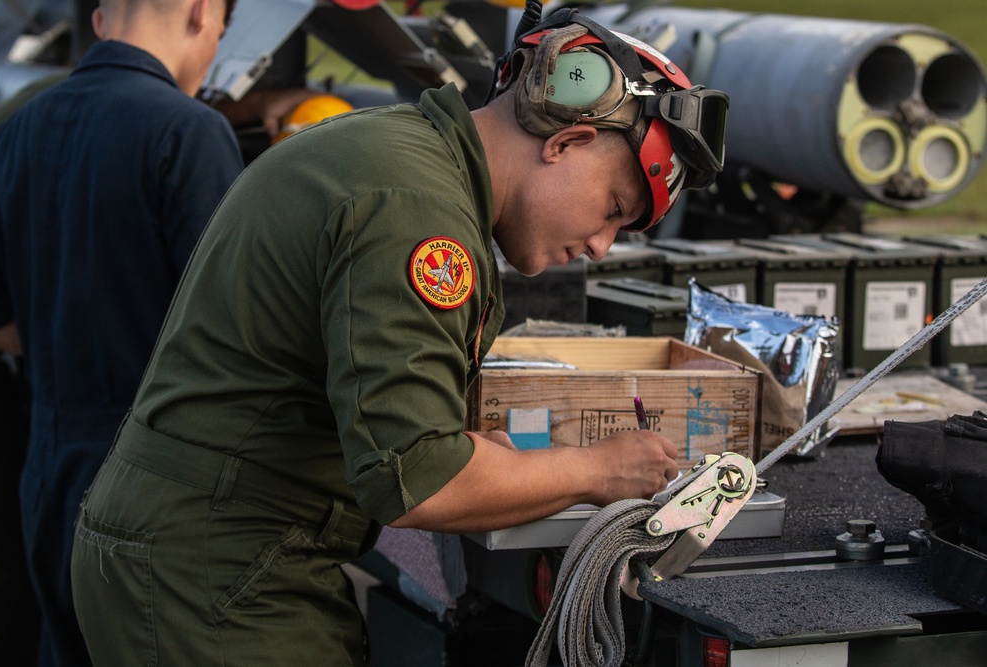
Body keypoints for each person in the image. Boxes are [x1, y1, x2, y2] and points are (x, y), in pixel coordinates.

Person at [69, 7, 729, 666]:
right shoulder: (418, 210)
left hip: (206, 553)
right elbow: (418, 479)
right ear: (567, 142)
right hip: (217, 573)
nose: (601, 246)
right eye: (614, 209)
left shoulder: (406, 159)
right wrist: (596, 469)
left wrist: (504, 466)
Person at [0, 1, 250, 664]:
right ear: (200, 11)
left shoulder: (17, 129)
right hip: (157, 486)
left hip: (44, 470)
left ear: (104, 17)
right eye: (222, 28)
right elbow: (242, 332)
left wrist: (67, 340)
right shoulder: (189, 132)